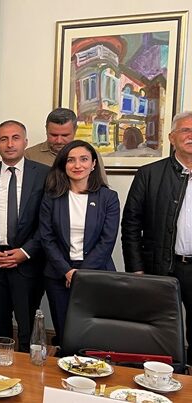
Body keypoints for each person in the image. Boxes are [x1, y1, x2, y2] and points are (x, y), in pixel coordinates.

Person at [0, 121, 49, 351]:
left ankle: (26, 368)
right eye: (3, 139)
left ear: (25, 142)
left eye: (15, 138)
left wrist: (25, 252)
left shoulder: (43, 174)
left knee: (27, 325)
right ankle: (1, 366)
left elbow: (47, 222)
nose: (10, 144)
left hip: (28, 262)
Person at [122, 111, 192, 363]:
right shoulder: (149, 174)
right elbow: (131, 224)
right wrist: (136, 268)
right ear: (172, 137)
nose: (191, 136)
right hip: (160, 267)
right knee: (156, 332)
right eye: (186, 130)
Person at [39, 140, 119, 345]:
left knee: (94, 334)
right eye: (71, 160)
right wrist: (67, 271)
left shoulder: (108, 197)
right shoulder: (52, 197)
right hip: (59, 274)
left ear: (93, 164)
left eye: (84, 159)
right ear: (63, 165)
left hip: (96, 274)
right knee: (65, 333)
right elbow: (47, 238)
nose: (77, 165)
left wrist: (80, 274)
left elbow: (107, 240)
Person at [24, 107, 108, 181]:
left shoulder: (91, 154)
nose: (59, 141)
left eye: (65, 135)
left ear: (75, 130)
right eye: (54, 135)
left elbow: (102, 188)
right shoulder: (29, 155)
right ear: (46, 130)